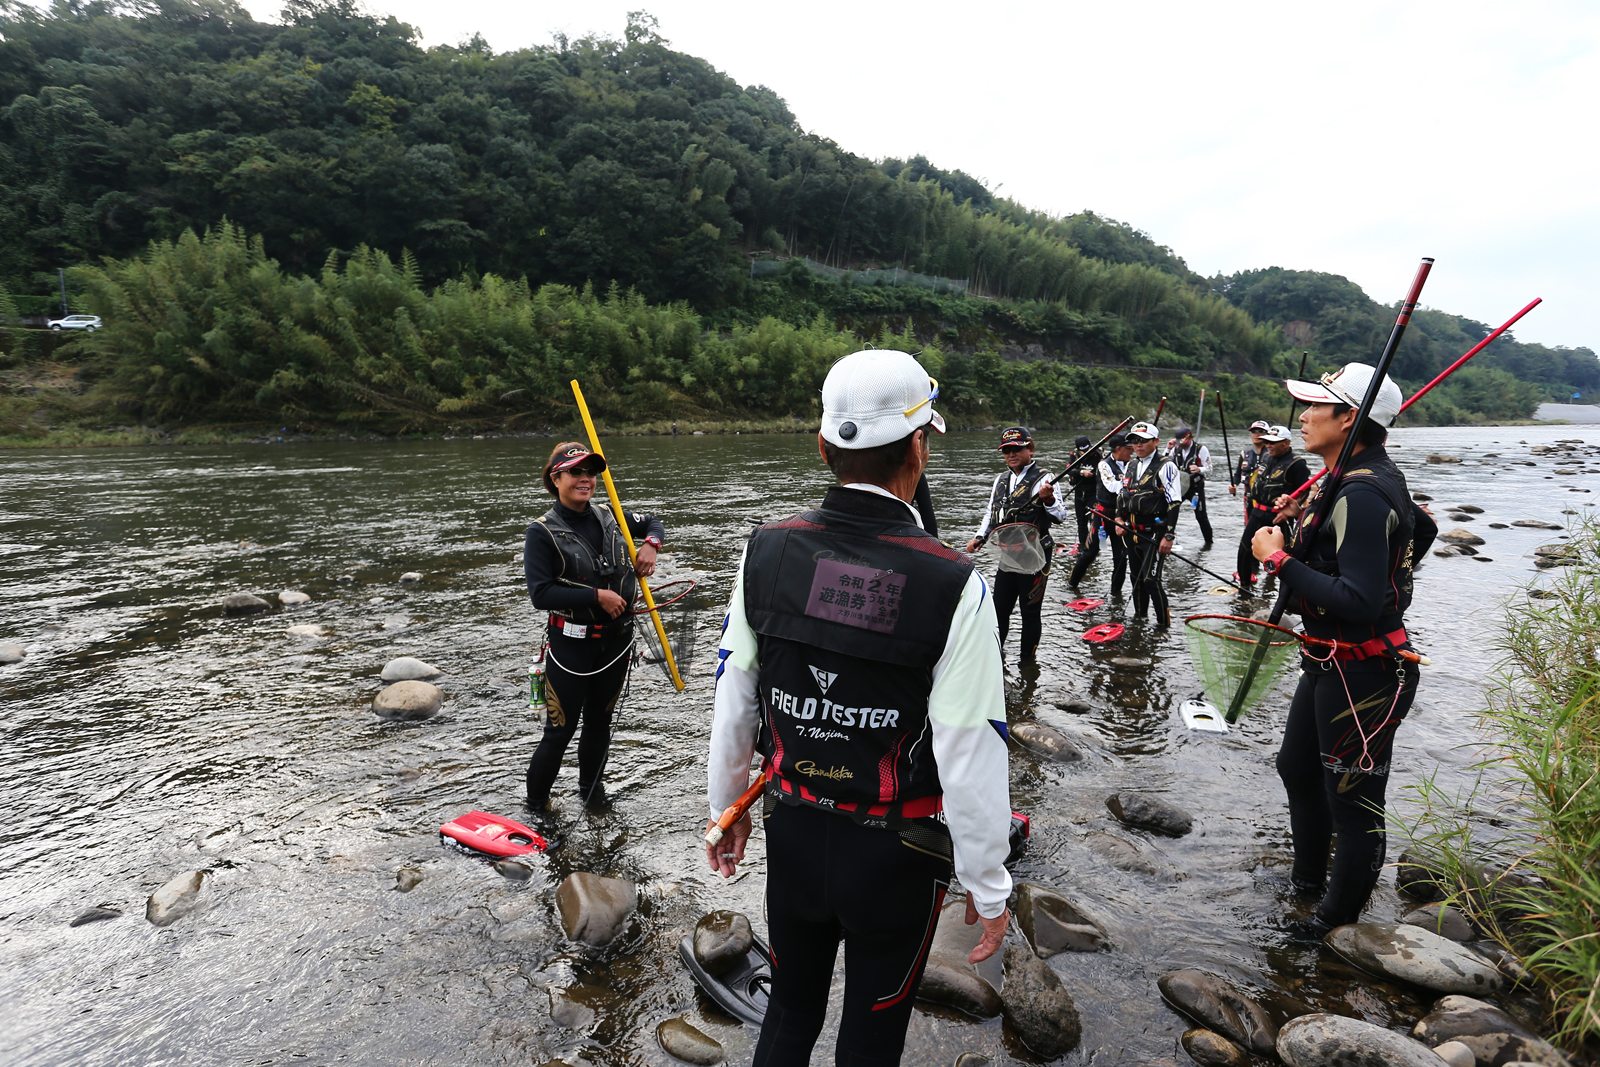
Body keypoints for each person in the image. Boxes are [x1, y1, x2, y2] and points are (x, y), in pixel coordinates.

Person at [705, 349, 1013, 1066]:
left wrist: (726, 809)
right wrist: (987, 881)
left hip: (795, 833)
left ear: (823, 446)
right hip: (896, 856)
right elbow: (971, 744)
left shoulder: (765, 549)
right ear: (919, 446)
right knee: (871, 1040)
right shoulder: (953, 582)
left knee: (789, 1013)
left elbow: (734, 701)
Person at [1250, 363, 1437, 941]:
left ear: (1350, 418)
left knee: (1354, 802)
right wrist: (1312, 531)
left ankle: (1336, 928)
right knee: (1296, 767)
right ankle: (1308, 883)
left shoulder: (1360, 487)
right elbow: (1421, 528)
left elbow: (1358, 600)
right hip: (1329, 658)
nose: (1302, 417)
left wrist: (1280, 559)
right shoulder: (1350, 478)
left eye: (1315, 407)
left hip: (1367, 669)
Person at [523, 442, 664, 815]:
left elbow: (653, 522)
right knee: (559, 732)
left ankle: (593, 796)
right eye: (575, 472)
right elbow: (540, 593)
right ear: (556, 478)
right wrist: (597, 595)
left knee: (600, 724)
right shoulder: (541, 532)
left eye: (591, 472)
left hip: (617, 644)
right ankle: (536, 809)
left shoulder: (612, 513)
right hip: (571, 648)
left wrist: (650, 544)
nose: (586, 479)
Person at [963, 427, 1072, 661]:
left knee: (1030, 611)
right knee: (999, 609)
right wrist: (980, 537)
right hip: (1008, 555)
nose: (1011, 454)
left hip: (1036, 555)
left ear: (1030, 449)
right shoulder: (1000, 479)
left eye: (1017, 449)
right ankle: (993, 660)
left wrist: (1048, 499)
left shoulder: (1045, 477)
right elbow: (991, 513)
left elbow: (1061, 516)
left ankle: (1027, 664)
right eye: (1006, 451)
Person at [1115, 421, 1181, 626]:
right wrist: (1118, 518)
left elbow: (1174, 501)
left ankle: (1164, 627)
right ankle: (1140, 621)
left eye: (1143, 441)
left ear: (1156, 441)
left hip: (1154, 534)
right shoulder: (1130, 465)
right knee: (1136, 580)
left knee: (1151, 581)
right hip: (1131, 532)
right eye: (1135, 441)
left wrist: (1169, 536)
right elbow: (1122, 495)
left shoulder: (1166, 465)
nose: (1138, 445)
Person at [1236, 425, 1310, 595]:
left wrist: (1286, 513)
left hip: (1278, 517)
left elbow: (1305, 490)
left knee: (1282, 557)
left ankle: (1284, 596)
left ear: (1286, 443)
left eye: (1273, 443)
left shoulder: (1296, 463)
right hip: (1257, 513)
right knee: (1244, 550)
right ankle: (1244, 590)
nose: (1268, 445)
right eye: (1267, 442)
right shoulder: (1267, 457)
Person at [1067, 432, 1133, 594]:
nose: (1132, 451)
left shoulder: (1133, 464)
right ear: (1118, 449)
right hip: (1103, 517)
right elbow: (1113, 487)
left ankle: (1115, 594)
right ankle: (1071, 585)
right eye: (1129, 448)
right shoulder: (1104, 464)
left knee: (1121, 557)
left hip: (1121, 517)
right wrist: (1131, 484)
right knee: (1090, 552)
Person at [1169, 426, 1214, 548]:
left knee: (1201, 516)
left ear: (1191, 438)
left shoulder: (1200, 449)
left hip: (1195, 488)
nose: (1182, 446)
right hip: (1179, 488)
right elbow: (1164, 461)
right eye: (1181, 443)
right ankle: (1168, 539)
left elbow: (1210, 468)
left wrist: (1199, 469)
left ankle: (1209, 543)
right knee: (1170, 513)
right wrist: (1167, 449)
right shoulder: (1175, 449)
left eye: (1185, 443)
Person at [1064, 434, 1101, 554]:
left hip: (1093, 491)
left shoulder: (1098, 453)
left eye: (1087, 450)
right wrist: (1081, 472)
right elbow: (1069, 471)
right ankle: (1082, 547)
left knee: (1094, 520)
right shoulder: (1074, 455)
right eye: (1083, 450)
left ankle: (1094, 546)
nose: (1085, 452)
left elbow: (1105, 469)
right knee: (1081, 521)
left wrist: (1094, 474)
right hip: (1079, 491)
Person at [1230, 419, 1270, 504]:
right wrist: (1234, 485)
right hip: (1249, 497)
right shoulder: (1244, 453)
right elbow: (1238, 474)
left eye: (1261, 431)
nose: (1256, 434)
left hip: (1267, 497)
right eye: (1253, 431)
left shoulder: (1272, 453)